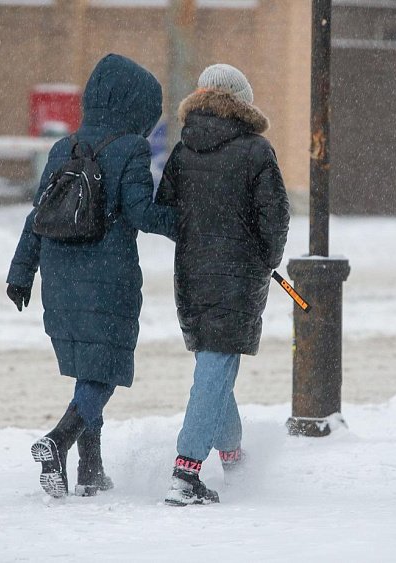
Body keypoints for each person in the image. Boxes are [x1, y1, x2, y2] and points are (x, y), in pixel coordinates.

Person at [6, 54, 177, 498]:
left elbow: (37, 215)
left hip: (59, 276)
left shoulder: (64, 148)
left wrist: (21, 272)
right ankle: (59, 440)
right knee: (103, 371)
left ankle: (91, 468)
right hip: (107, 274)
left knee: (90, 365)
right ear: (138, 106)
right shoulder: (131, 148)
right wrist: (190, 225)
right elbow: (141, 212)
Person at [156, 63, 289, 506]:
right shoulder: (256, 151)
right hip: (238, 278)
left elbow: (168, 210)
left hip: (192, 277)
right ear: (242, 103)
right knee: (214, 370)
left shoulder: (183, 149)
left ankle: (233, 458)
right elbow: (276, 218)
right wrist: (264, 259)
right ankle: (185, 471)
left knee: (217, 368)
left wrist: (198, 242)